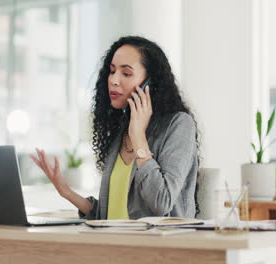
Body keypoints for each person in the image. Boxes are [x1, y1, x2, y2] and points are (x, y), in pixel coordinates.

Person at [30, 36, 200, 220]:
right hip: (115, 243)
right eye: (112, 71)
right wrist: (66, 192)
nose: (114, 80)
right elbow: (108, 215)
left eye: (126, 73)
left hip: (156, 246)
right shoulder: (122, 130)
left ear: (150, 83)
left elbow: (161, 203)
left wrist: (139, 138)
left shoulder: (179, 125)